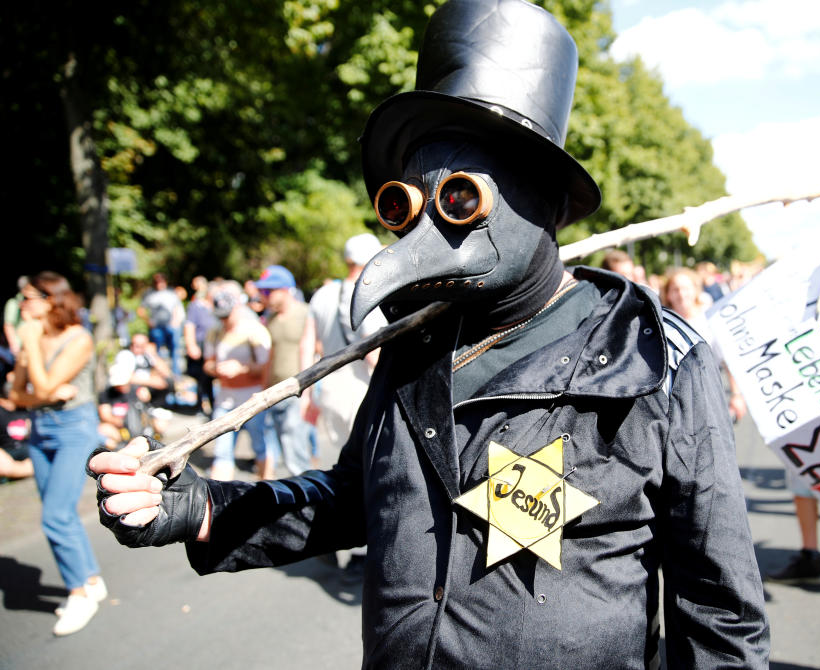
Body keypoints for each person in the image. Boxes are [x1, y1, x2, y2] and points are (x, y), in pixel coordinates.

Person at [88, 2, 769, 666]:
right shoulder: (414, 347)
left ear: (549, 203)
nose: (422, 236)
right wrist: (206, 508)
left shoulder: (651, 360)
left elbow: (719, 612)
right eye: (402, 205)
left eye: (462, 199)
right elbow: (356, 497)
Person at [10, 272, 107, 636]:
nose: (23, 304)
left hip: (73, 429)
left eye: (29, 296)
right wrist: (45, 394)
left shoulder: (77, 338)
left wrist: (32, 345)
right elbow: (17, 394)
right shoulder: (32, 340)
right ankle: (91, 579)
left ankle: (79, 592)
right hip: (40, 428)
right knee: (59, 513)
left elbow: (45, 383)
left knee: (54, 516)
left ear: (51, 299)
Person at [307, 233, 387, 468]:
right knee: (367, 464)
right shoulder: (368, 292)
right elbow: (373, 353)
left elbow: (307, 344)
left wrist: (309, 395)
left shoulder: (323, 294)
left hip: (330, 388)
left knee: (344, 462)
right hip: (361, 387)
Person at [204, 282, 274, 481]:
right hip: (225, 399)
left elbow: (266, 366)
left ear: (237, 308)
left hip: (251, 397)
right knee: (222, 452)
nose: (224, 321)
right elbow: (207, 364)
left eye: (227, 315)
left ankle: (267, 489)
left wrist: (241, 369)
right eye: (221, 316)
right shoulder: (215, 332)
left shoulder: (254, 330)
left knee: (260, 445)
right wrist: (216, 370)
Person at [660, 267, 747, 422]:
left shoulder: (709, 319)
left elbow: (727, 358)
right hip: (675, 403)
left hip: (709, 393)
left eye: (686, 288)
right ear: (668, 294)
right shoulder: (663, 324)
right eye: (675, 289)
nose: (681, 294)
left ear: (695, 290)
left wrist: (736, 395)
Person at [255, 265, 313, 476]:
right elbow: (269, 358)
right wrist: (262, 390)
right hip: (273, 393)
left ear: (285, 289)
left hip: (297, 392)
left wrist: (310, 392)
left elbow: (318, 352)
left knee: (294, 452)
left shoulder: (306, 314)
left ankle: (308, 500)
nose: (264, 296)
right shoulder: (269, 318)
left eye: (269, 291)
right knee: (271, 447)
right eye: (263, 291)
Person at [137, 273, 185, 376]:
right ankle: (160, 373)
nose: (159, 284)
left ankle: (176, 374)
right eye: (157, 282)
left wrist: (175, 320)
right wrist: (148, 321)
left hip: (170, 325)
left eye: (161, 281)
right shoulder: (149, 294)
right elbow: (141, 310)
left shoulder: (171, 292)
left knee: (175, 350)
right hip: (157, 327)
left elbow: (177, 306)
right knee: (156, 352)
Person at [183, 275, 216, 416]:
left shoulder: (216, 306)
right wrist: (191, 345)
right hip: (202, 344)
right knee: (203, 378)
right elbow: (189, 325)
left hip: (215, 346)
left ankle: (215, 405)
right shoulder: (196, 305)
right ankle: (202, 405)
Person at [128, 332, 172, 404]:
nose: (138, 348)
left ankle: (156, 406)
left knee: (168, 381)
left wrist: (154, 355)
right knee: (142, 390)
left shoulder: (148, 355)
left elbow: (166, 372)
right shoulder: (127, 355)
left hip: (149, 384)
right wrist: (151, 382)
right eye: (135, 345)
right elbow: (128, 378)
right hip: (136, 386)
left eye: (142, 346)